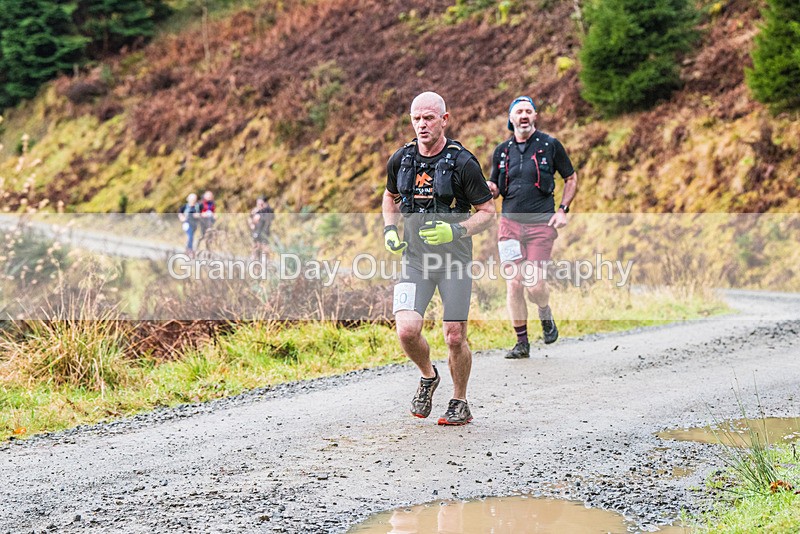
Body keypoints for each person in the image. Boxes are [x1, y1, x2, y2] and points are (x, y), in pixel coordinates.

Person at [382, 91, 495, 425]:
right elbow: (389, 197)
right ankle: (429, 376)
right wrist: (390, 230)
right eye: (416, 118)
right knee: (406, 330)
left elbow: (488, 212)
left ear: (445, 119)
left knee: (454, 335)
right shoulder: (401, 159)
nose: (422, 124)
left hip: (454, 263)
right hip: (415, 260)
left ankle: (459, 401)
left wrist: (456, 230)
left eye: (429, 117)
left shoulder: (462, 162)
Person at [486, 96, 579, 359]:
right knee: (514, 284)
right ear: (511, 119)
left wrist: (563, 209)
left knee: (534, 284)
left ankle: (544, 310)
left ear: (535, 116)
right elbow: (495, 187)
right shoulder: (501, 151)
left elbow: (570, 178)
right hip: (509, 226)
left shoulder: (550, 145)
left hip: (541, 224)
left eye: (529, 111)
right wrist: (488, 188)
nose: (524, 115)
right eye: (519, 112)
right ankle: (521, 342)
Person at [178, 193, 200, 257]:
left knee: (191, 237)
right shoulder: (185, 206)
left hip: (194, 224)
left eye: (194, 199)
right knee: (190, 237)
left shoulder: (197, 207)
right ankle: (189, 250)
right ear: (188, 199)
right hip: (187, 224)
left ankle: (187, 249)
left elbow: (201, 213)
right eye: (191, 199)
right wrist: (182, 217)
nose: (193, 200)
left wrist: (198, 215)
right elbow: (180, 213)